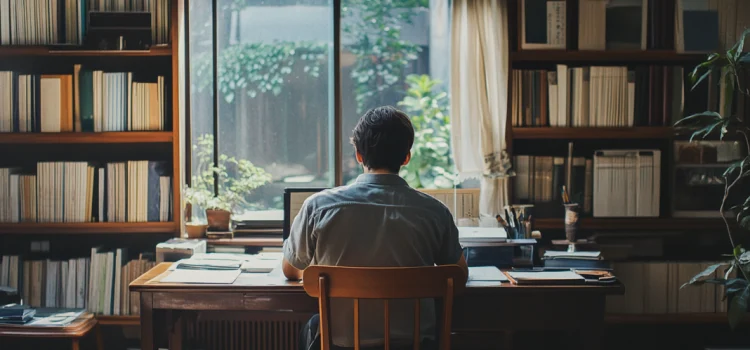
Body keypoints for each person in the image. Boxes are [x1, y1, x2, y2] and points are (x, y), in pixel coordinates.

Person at [282, 105, 468, 350]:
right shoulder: (435, 212)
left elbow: (290, 269)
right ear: (406, 157)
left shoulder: (318, 207)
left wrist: (317, 271)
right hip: (414, 344)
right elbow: (458, 275)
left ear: (359, 155)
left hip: (342, 344)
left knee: (312, 327)